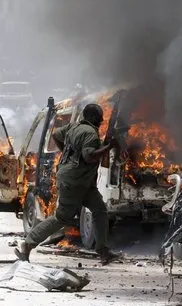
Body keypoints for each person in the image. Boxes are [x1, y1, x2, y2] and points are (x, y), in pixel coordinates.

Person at [15, 103, 120, 264]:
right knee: (62, 217)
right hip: (75, 181)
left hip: (83, 182)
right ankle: (27, 244)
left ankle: (103, 251)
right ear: (92, 117)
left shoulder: (73, 127)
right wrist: (108, 147)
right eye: (99, 117)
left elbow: (56, 134)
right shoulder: (90, 133)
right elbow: (89, 156)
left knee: (100, 211)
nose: (101, 120)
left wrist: (66, 152)